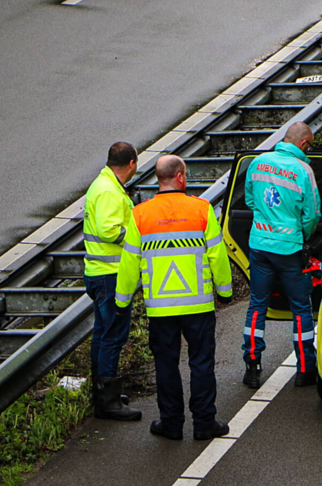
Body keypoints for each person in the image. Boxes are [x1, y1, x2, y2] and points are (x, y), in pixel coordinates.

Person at [116, 155, 233, 441]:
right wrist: (225, 292)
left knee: (166, 365)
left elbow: (129, 263)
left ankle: (171, 424)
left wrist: (121, 301)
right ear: (181, 177)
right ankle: (205, 423)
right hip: (198, 305)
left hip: (160, 308)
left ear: (159, 178)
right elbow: (217, 255)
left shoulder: (140, 214)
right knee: (201, 363)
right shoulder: (202, 210)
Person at [242, 122, 321, 389]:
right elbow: (312, 215)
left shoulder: (259, 162)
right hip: (289, 248)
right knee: (301, 308)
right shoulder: (303, 170)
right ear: (303, 144)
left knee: (257, 306)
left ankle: (252, 367)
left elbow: (250, 199)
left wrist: (266, 220)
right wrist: (303, 235)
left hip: (259, 244)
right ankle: (305, 369)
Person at [83, 142, 142, 422]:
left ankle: (104, 392)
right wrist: (136, 237)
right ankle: (107, 401)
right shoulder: (108, 190)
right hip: (110, 275)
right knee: (113, 336)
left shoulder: (104, 184)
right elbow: (109, 230)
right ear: (131, 163)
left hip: (100, 272)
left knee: (103, 333)